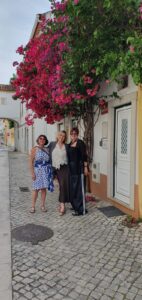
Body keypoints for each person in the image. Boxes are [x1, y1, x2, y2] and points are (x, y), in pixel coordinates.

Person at [29, 134, 54, 213]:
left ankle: (42, 206)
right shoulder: (35, 149)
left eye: (44, 139)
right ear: (38, 140)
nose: (42, 140)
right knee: (36, 189)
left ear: (45, 141)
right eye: (40, 138)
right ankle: (33, 206)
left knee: (43, 189)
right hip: (37, 171)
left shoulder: (47, 149)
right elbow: (30, 162)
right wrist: (32, 173)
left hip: (45, 171)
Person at [68, 127, 89, 216]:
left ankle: (81, 210)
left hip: (79, 168)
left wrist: (85, 167)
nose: (73, 135)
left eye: (75, 134)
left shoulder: (80, 143)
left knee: (80, 189)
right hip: (72, 170)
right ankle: (76, 205)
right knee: (74, 188)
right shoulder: (70, 144)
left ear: (77, 134)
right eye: (72, 134)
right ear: (70, 135)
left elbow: (84, 156)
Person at [48, 131, 69, 215]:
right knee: (59, 186)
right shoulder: (52, 144)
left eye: (63, 136)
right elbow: (45, 150)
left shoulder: (66, 146)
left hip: (64, 168)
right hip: (54, 168)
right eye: (60, 135)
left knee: (63, 186)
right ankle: (61, 202)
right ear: (57, 136)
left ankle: (62, 205)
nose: (62, 137)